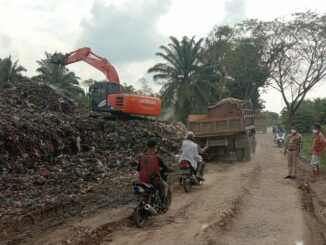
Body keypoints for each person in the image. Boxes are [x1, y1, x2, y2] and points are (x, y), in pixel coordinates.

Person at [137, 139, 171, 203]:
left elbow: (138, 169)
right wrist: (169, 170)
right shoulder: (157, 158)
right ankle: (162, 201)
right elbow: (165, 168)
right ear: (154, 147)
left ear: (148, 147)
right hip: (152, 180)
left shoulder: (142, 157)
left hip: (142, 180)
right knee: (164, 186)